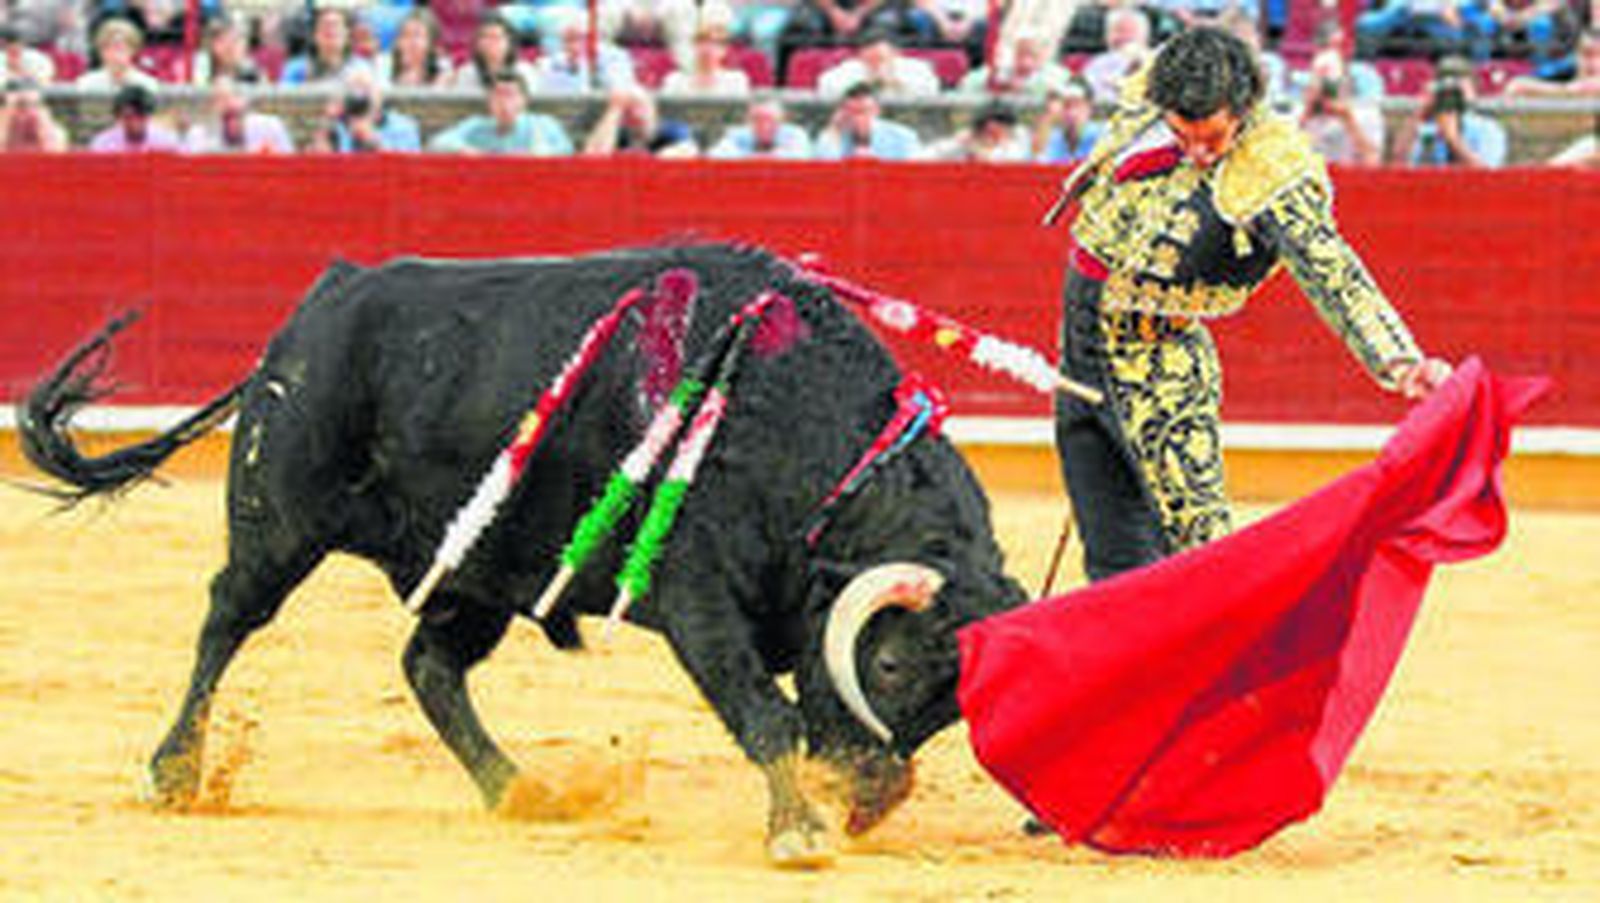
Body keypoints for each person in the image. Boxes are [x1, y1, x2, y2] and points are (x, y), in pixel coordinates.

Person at [1044, 26, 1450, 581]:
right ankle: (1141, 669)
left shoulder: (1274, 168)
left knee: (1197, 554)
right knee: (1111, 553)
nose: (1198, 152)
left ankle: (1223, 666)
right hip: (1079, 356)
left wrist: (1399, 359)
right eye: (1183, 135)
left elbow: (1330, 269)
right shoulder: (1149, 103)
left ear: (1245, 108)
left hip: (1160, 369)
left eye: (1213, 138)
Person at [1392, 55, 1507, 167]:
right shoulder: (1428, 129)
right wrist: (1421, 114)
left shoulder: (1487, 128)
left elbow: (1487, 175)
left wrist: (1453, 140)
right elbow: (1401, 163)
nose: (1452, 97)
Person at [429, 70, 574, 155]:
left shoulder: (543, 125)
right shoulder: (476, 125)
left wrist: (541, 154)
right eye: (498, 95)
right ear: (490, 102)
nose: (504, 102)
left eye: (510, 95)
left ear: (523, 101)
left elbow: (568, 150)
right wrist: (468, 150)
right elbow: (437, 143)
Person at [1298, 42, 1385, 167]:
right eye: (1319, 80)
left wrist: (1348, 119)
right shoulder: (1298, 115)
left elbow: (1373, 162)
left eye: (1330, 84)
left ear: (1345, 82)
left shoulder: (1366, 114)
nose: (1326, 90)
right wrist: (1307, 114)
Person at [310, 71, 421, 153]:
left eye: (366, 89)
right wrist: (327, 120)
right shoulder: (336, 125)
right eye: (353, 89)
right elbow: (318, 164)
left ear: (379, 95)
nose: (360, 96)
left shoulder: (403, 126)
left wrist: (371, 139)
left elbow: (407, 170)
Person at [815, 26, 940, 98]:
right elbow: (824, 88)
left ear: (895, 53)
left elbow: (933, 92)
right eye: (870, 59)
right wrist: (863, 84)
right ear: (860, 55)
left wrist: (896, 82)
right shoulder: (849, 69)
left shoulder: (916, 68)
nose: (876, 64)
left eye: (880, 58)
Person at [812, 79, 923, 159]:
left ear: (876, 111)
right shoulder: (834, 137)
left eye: (863, 111)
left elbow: (913, 173)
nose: (857, 118)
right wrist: (834, 130)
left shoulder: (903, 137)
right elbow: (825, 171)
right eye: (851, 112)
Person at [530, 10, 637, 91]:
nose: (574, 46)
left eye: (581, 38)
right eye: (568, 40)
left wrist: (586, 67)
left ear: (597, 38)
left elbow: (620, 91)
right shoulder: (552, 64)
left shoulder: (615, 57)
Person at [182, 79, 294, 153]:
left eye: (233, 95)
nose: (227, 102)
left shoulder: (269, 126)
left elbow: (290, 164)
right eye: (219, 98)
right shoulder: (198, 135)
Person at [582, 84, 697, 156]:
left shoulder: (671, 131)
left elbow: (689, 150)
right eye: (629, 108)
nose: (636, 114)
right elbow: (591, 157)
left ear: (653, 110)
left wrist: (648, 160)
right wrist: (615, 109)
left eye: (640, 106)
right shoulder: (619, 135)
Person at [955, 29, 1074, 98]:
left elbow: (1059, 92)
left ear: (1044, 55)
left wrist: (1024, 87)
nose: (1025, 61)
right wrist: (993, 79)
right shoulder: (1004, 68)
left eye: (1032, 54)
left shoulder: (1057, 73)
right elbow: (966, 83)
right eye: (1021, 53)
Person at [280, 7, 373, 86]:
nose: (330, 29)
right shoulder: (296, 68)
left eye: (336, 24)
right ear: (315, 35)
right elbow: (282, 100)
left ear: (347, 35)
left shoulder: (361, 67)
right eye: (324, 24)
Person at [660, 15, 752, 95]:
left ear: (724, 49)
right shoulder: (675, 82)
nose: (707, 48)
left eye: (714, 43)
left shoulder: (735, 81)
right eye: (701, 42)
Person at [1081, 5, 1152, 105]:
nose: (1124, 37)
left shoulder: (1153, 61)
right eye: (1118, 30)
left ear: (1144, 37)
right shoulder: (1097, 63)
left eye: (1130, 32)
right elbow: (1087, 92)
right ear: (1107, 35)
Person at [926, 99, 1031, 162]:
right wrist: (958, 143)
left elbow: (1006, 163)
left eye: (1000, 124)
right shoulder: (962, 145)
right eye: (985, 127)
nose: (991, 127)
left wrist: (980, 152)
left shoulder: (1014, 147)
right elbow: (923, 157)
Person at [708, 96, 813, 158]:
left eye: (770, 120)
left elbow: (801, 157)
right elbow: (714, 156)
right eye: (757, 120)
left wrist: (748, 158)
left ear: (781, 121)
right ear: (748, 121)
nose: (765, 126)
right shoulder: (736, 135)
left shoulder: (795, 134)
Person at [89, 83, 181, 152]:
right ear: (118, 117)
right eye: (128, 117)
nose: (134, 122)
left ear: (148, 116)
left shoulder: (166, 142)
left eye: (140, 116)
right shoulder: (103, 144)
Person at [1032, 77, 1104, 163]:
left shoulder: (1101, 135)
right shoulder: (1056, 136)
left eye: (1078, 105)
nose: (1072, 113)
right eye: (1067, 106)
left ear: (1090, 107)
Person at [76, 17, 159, 91]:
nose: (115, 55)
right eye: (108, 48)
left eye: (120, 49)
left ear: (133, 50)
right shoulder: (86, 84)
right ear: (101, 51)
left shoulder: (147, 85)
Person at [377, 8, 453, 89]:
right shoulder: (384, 63)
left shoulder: (441, 66)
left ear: (431, 43)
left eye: (417, 35)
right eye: (405, 35)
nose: (410, 42)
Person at [190, 17, 264, 85]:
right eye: (222, 40)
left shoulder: (252, 73)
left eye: (236, 41)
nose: (230, 47)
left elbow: (265, 95)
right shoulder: (201, 67)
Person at [1, 78, 68, 151]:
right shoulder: (5, 123)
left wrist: (43, 126)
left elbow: (54, 153)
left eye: (34, 105)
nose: (28, 110)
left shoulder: (52, 131)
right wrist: (7, 116)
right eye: (21, 105)